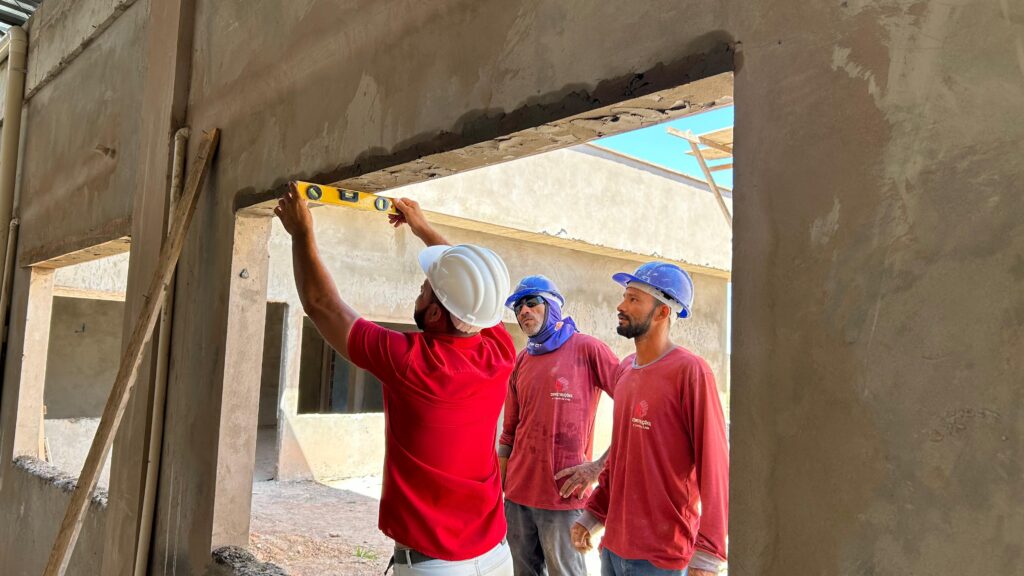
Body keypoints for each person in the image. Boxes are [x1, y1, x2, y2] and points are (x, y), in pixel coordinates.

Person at [275, 183, 516, 575]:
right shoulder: (499, 350)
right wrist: (423, 228)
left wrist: (301, 232)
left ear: (435, 315)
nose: (418, 291)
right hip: (497, 556)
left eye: (424, 290)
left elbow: (322, 305)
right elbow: (475, 294)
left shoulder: (411, 362)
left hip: (436, 568)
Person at [570, 262, 729, 576]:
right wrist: (594, 515)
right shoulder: (626, 370)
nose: (621, 306)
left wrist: (709, 554)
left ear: (662, 312)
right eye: (624, 297)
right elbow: (622, 454)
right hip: (613, 549)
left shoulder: (691, 372)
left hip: (662, 558)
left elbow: (714, 465)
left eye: (633, 299)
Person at [497, 275, 619, 575]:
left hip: (563, 497)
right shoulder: (522, 361)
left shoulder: (588, 349)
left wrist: (599, 467)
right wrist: (500, 489)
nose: (524, 311)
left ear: (552, 306)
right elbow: (509, 432)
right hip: (518, 497)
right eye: (518, 307)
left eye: (532, 302)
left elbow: (634, 407)